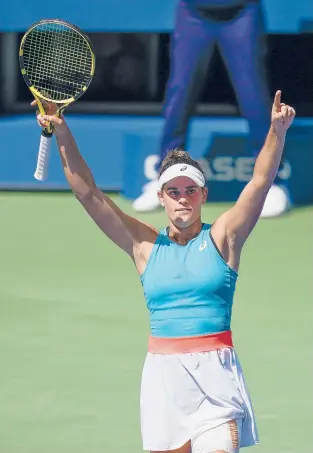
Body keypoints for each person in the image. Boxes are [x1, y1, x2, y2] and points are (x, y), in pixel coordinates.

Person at [34, 90, 295, 453]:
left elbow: (259, 183)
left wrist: (277, 131)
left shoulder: (224, 237)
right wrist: (62, 132)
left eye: (191, 190)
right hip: (163, 381)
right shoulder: (143, 246)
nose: (182, 198)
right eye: (173, 191)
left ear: (204, 196)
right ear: (161, 197)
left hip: (216, 379)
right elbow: (88, 194)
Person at [132, 0, 291, 218]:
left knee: (252, 93)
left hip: (242, 11)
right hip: (193, 12)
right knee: (180, 92)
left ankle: (271, 183)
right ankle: (166, 178)